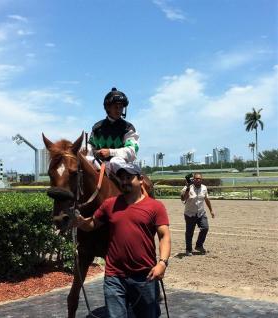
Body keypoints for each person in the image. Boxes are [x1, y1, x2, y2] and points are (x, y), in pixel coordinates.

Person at [73, 161, 171, 318]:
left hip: (144, 275)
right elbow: (92, 224)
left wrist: (162, 263)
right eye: (121, 178)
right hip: (114, 277)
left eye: (128, 177)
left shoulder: (155, 207)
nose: (124, 181)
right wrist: (80, 222)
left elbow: (164, 236)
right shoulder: (109, 204)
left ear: (140, 179)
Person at [87, 87, 140, 175]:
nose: (119, 110)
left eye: (121, 107)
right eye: (116, 107)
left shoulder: (128, 128)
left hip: (122, 166)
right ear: (108, 108)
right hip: (99, 165)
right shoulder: (97, 128)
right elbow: (89, 150)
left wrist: (110, 152)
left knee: (115, 161)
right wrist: (95, 153)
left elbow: (132, 151)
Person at [180, 172, 215, 256]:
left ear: (202, 180)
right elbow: (183, 198)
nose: (198, 180)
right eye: (196, 178)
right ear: (193, 179)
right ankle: (188, 249)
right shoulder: (188, 187)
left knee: (205, 228)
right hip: (190, 214)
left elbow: (206, 199)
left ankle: (199, 245)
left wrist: (211, 210)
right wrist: (188, 187)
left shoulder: (204, 188)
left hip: (201, 213)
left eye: (199, 179)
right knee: (189, 232)